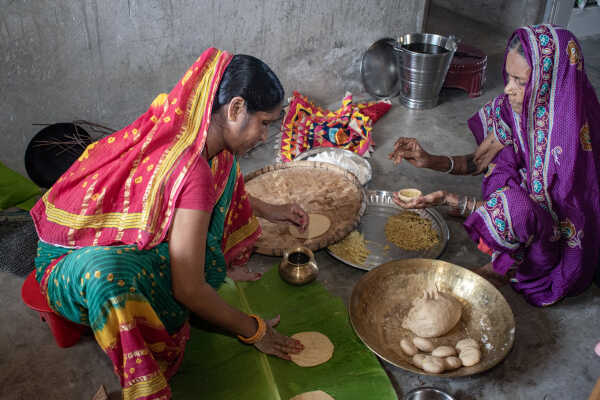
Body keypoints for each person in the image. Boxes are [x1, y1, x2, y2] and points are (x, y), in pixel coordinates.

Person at [30, 48, 308, 399]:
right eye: (264, 123)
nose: (265, 136)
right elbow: (188, 289)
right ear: (236, 108)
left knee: (217, 186)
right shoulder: (190, 166)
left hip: (104, 237)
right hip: (72, 260)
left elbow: (197, 200)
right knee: (115, 280)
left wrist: (269, 209)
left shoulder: (194, 135)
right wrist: (253, 330)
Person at [389, 25, 600, 306]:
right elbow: (478, 161)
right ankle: (501, 231)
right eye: (508, 77)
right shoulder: (515, 110)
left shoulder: (571, 141)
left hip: (563, 241)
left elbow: (556, 220)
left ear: (550, 83)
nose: (509, 90)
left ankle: (504, 268)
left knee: (515, 208)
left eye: (520, 82)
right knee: (504, 165)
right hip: (533, 213)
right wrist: (430, 160)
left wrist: (461, 204)